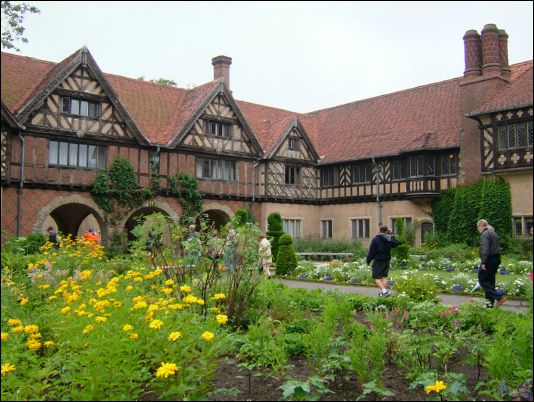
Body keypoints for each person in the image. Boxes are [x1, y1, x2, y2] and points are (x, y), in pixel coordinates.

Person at [477, 219, 507, 308]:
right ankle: (489, 304)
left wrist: (483, 262)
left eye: (477, 227)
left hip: (489, 259)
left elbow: (485, 249)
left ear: (481, 226)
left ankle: (499, 297)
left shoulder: (485, 234)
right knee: (490, 282)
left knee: (482, 280)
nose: (477, 229)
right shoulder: (493, 233)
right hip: (495, 259)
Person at [366, 225, 399, 297]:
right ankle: (384, 293)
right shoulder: (389, 239)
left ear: (380, 230)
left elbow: (371, 251)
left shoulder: (375, 239)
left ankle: (384, 291)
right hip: (387, 260)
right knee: (384, 277)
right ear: (387, 230)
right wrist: (391, 235)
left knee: (376, 277)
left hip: (379, 261)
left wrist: (368, 261)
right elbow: (396, 243)